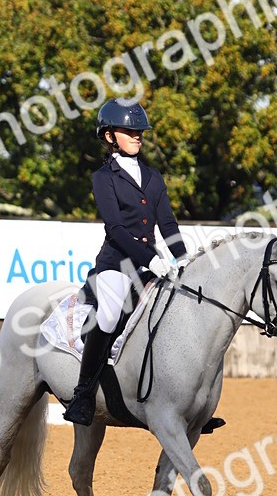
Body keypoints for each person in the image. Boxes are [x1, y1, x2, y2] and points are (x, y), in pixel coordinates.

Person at [63, 97, 188, 426]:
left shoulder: (153, 176)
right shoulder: (103, 178)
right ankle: (83, 395)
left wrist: (183, 259)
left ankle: (188, 404)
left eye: (139, 131)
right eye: (129, 130)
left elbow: (169, 225)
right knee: (108, 315)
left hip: (151, 265)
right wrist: (152, 259)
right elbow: (116, 229)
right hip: (117, 264)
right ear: (109, 136)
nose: (137, 135)